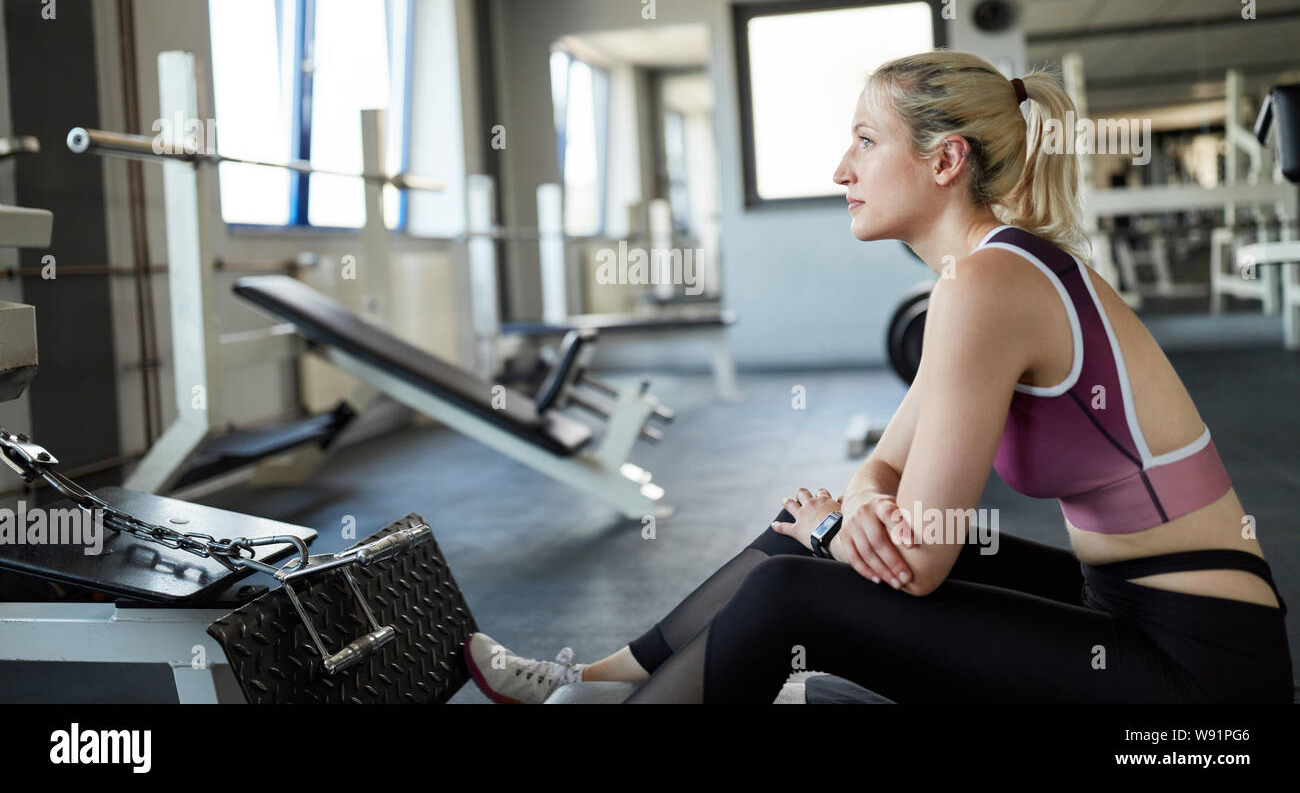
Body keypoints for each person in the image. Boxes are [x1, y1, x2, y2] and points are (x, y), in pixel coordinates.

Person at [463, 50, 1293, 704]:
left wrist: (842, 530)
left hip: (1203, 681)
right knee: (797, 531)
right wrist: (845, 515)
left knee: (795, 591)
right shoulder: (975, 278)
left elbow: (922, 557)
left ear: (945, 160)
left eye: (866, 140)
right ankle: (601, 681)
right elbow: (882, 470)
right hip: (1116, 605)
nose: (840, 169)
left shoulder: (990, 285)